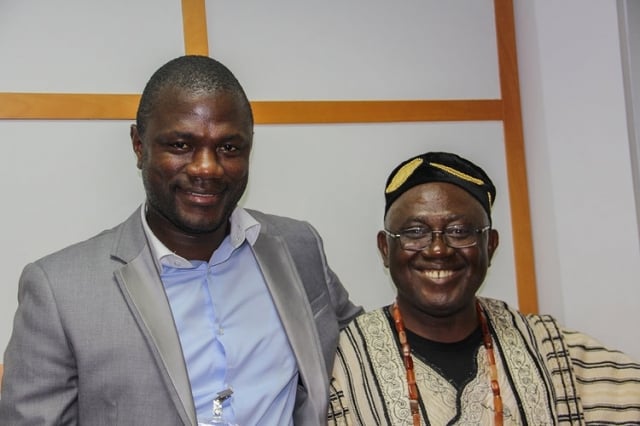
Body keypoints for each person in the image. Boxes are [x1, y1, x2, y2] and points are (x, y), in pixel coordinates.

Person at [0, 55, 362, 426]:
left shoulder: (297, 246)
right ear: (139, 146)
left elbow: (364, 342)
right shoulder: (60, 291)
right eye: (180, 145)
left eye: (229, 148)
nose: (206, 167)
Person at [328, 151, 640, 425]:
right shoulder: (342, 365)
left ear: (490, 245)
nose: (438, 249)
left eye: (459, 231)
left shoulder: (551, 350)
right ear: (385, 248)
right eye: (415, 231)